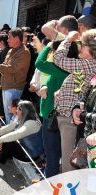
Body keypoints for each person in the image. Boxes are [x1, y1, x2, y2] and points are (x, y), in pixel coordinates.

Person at [54, 30, 96, 173]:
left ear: (92, 49)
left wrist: (68, 39)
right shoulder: (87, 65)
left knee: (68, 164)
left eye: (82, 44)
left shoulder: (90, 64)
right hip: (68, 117)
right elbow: (81, 88)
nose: (79, 46)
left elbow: (58, 58)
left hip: (70, 120)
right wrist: (62, 92)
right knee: (66, 161)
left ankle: (68, 194)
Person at [35, 40, 79, 178]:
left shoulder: (62, 67)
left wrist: (48, 46)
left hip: (52, 115)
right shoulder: (70, 67)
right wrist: (44, 86)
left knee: (52, 152)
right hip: (58, 114)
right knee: (57, 153)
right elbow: (52, 79)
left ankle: (50, 183)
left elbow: (39, 63)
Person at [0, 28, 31, 123]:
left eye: (9, 37)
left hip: (14, 87)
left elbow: (13, 68)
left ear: (17, 38)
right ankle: (9, 134)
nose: (7, 40)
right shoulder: (11, 50)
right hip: (6, 85)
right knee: (8, 113)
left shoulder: (24, 52)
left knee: (12, 115)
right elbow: (6, 65)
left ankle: (12, 135)